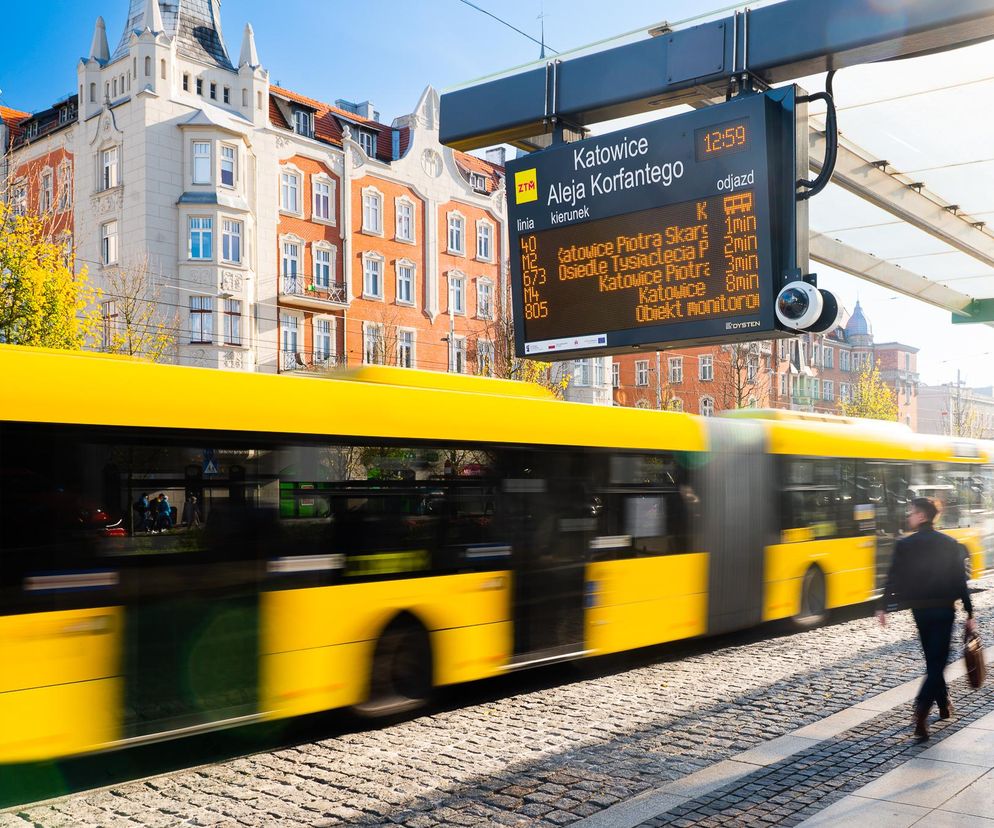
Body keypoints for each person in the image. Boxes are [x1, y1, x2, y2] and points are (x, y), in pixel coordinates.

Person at [877, 497, 977, 741]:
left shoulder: (905, 545)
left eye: (911, 512)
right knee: (937, 662)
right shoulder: (950, 544)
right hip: (944, 610)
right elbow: (959, 582)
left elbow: (893, 576)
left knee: (933, 660)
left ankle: (943, 704)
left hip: (919, 611)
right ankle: (921, 711)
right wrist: (969, 612)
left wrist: (882, 607)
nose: (908, 516)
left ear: (922, 516)